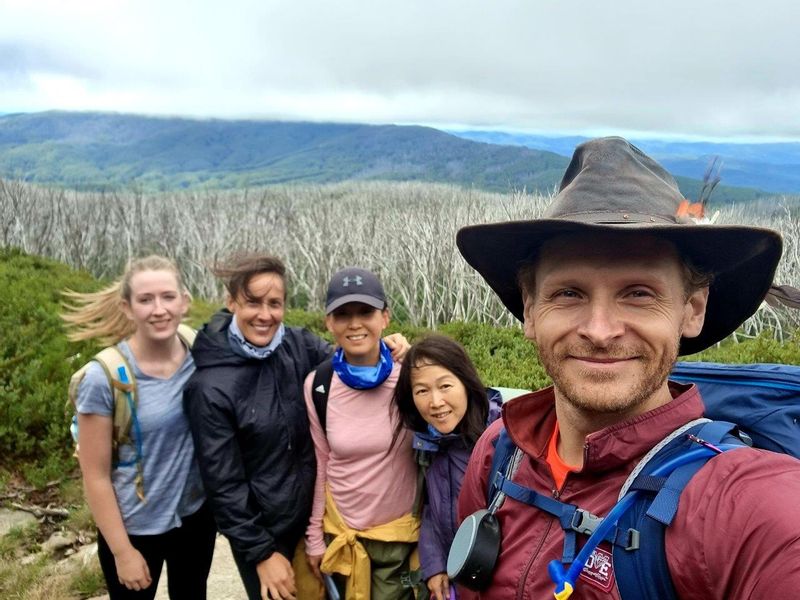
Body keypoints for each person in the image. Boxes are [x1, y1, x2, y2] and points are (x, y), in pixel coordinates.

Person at [455, 137, 800, 598]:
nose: (600, 330)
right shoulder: (500, 452)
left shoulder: (744, 503)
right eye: (569, 293)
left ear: (692, 310)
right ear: (531, 311)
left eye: (638, 293)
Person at [183, 256, 409, 600]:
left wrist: (391, 349)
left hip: (313, 521)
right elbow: (223, 483)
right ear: (231, 303)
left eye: (274, 303)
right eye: (253, 302)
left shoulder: (295, 346)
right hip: (265, 534)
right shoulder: (210, 386)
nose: (265, 314)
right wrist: (261, 553)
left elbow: (348, 355)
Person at [63, 255, 215, 599]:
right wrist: (122, 553)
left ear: (185, 301)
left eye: (167, 297)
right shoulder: (103, 378)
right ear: (128, 308)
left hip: (194, 518)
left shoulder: (199, 350)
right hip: (134, 528)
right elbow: (95, 475)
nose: (158, 309)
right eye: (145, 300)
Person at [303, 267, 419, 600]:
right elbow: (321, 465)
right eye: (343, 314)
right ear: (328, 322)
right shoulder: (318, 386)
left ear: (385, 317)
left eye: (365, 312)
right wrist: (314, 537)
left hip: (399, 539)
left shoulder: (411, 377)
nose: (355, 324)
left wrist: (416, 360)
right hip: (340, 535)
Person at [391, 334, 502, 600]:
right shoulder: (431, 443)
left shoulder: (501, 439)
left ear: (466, 382)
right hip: (456, 579)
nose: (435, 402)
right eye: (422, 391)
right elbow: (432, 509)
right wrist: (435, 565)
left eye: (445, 386)